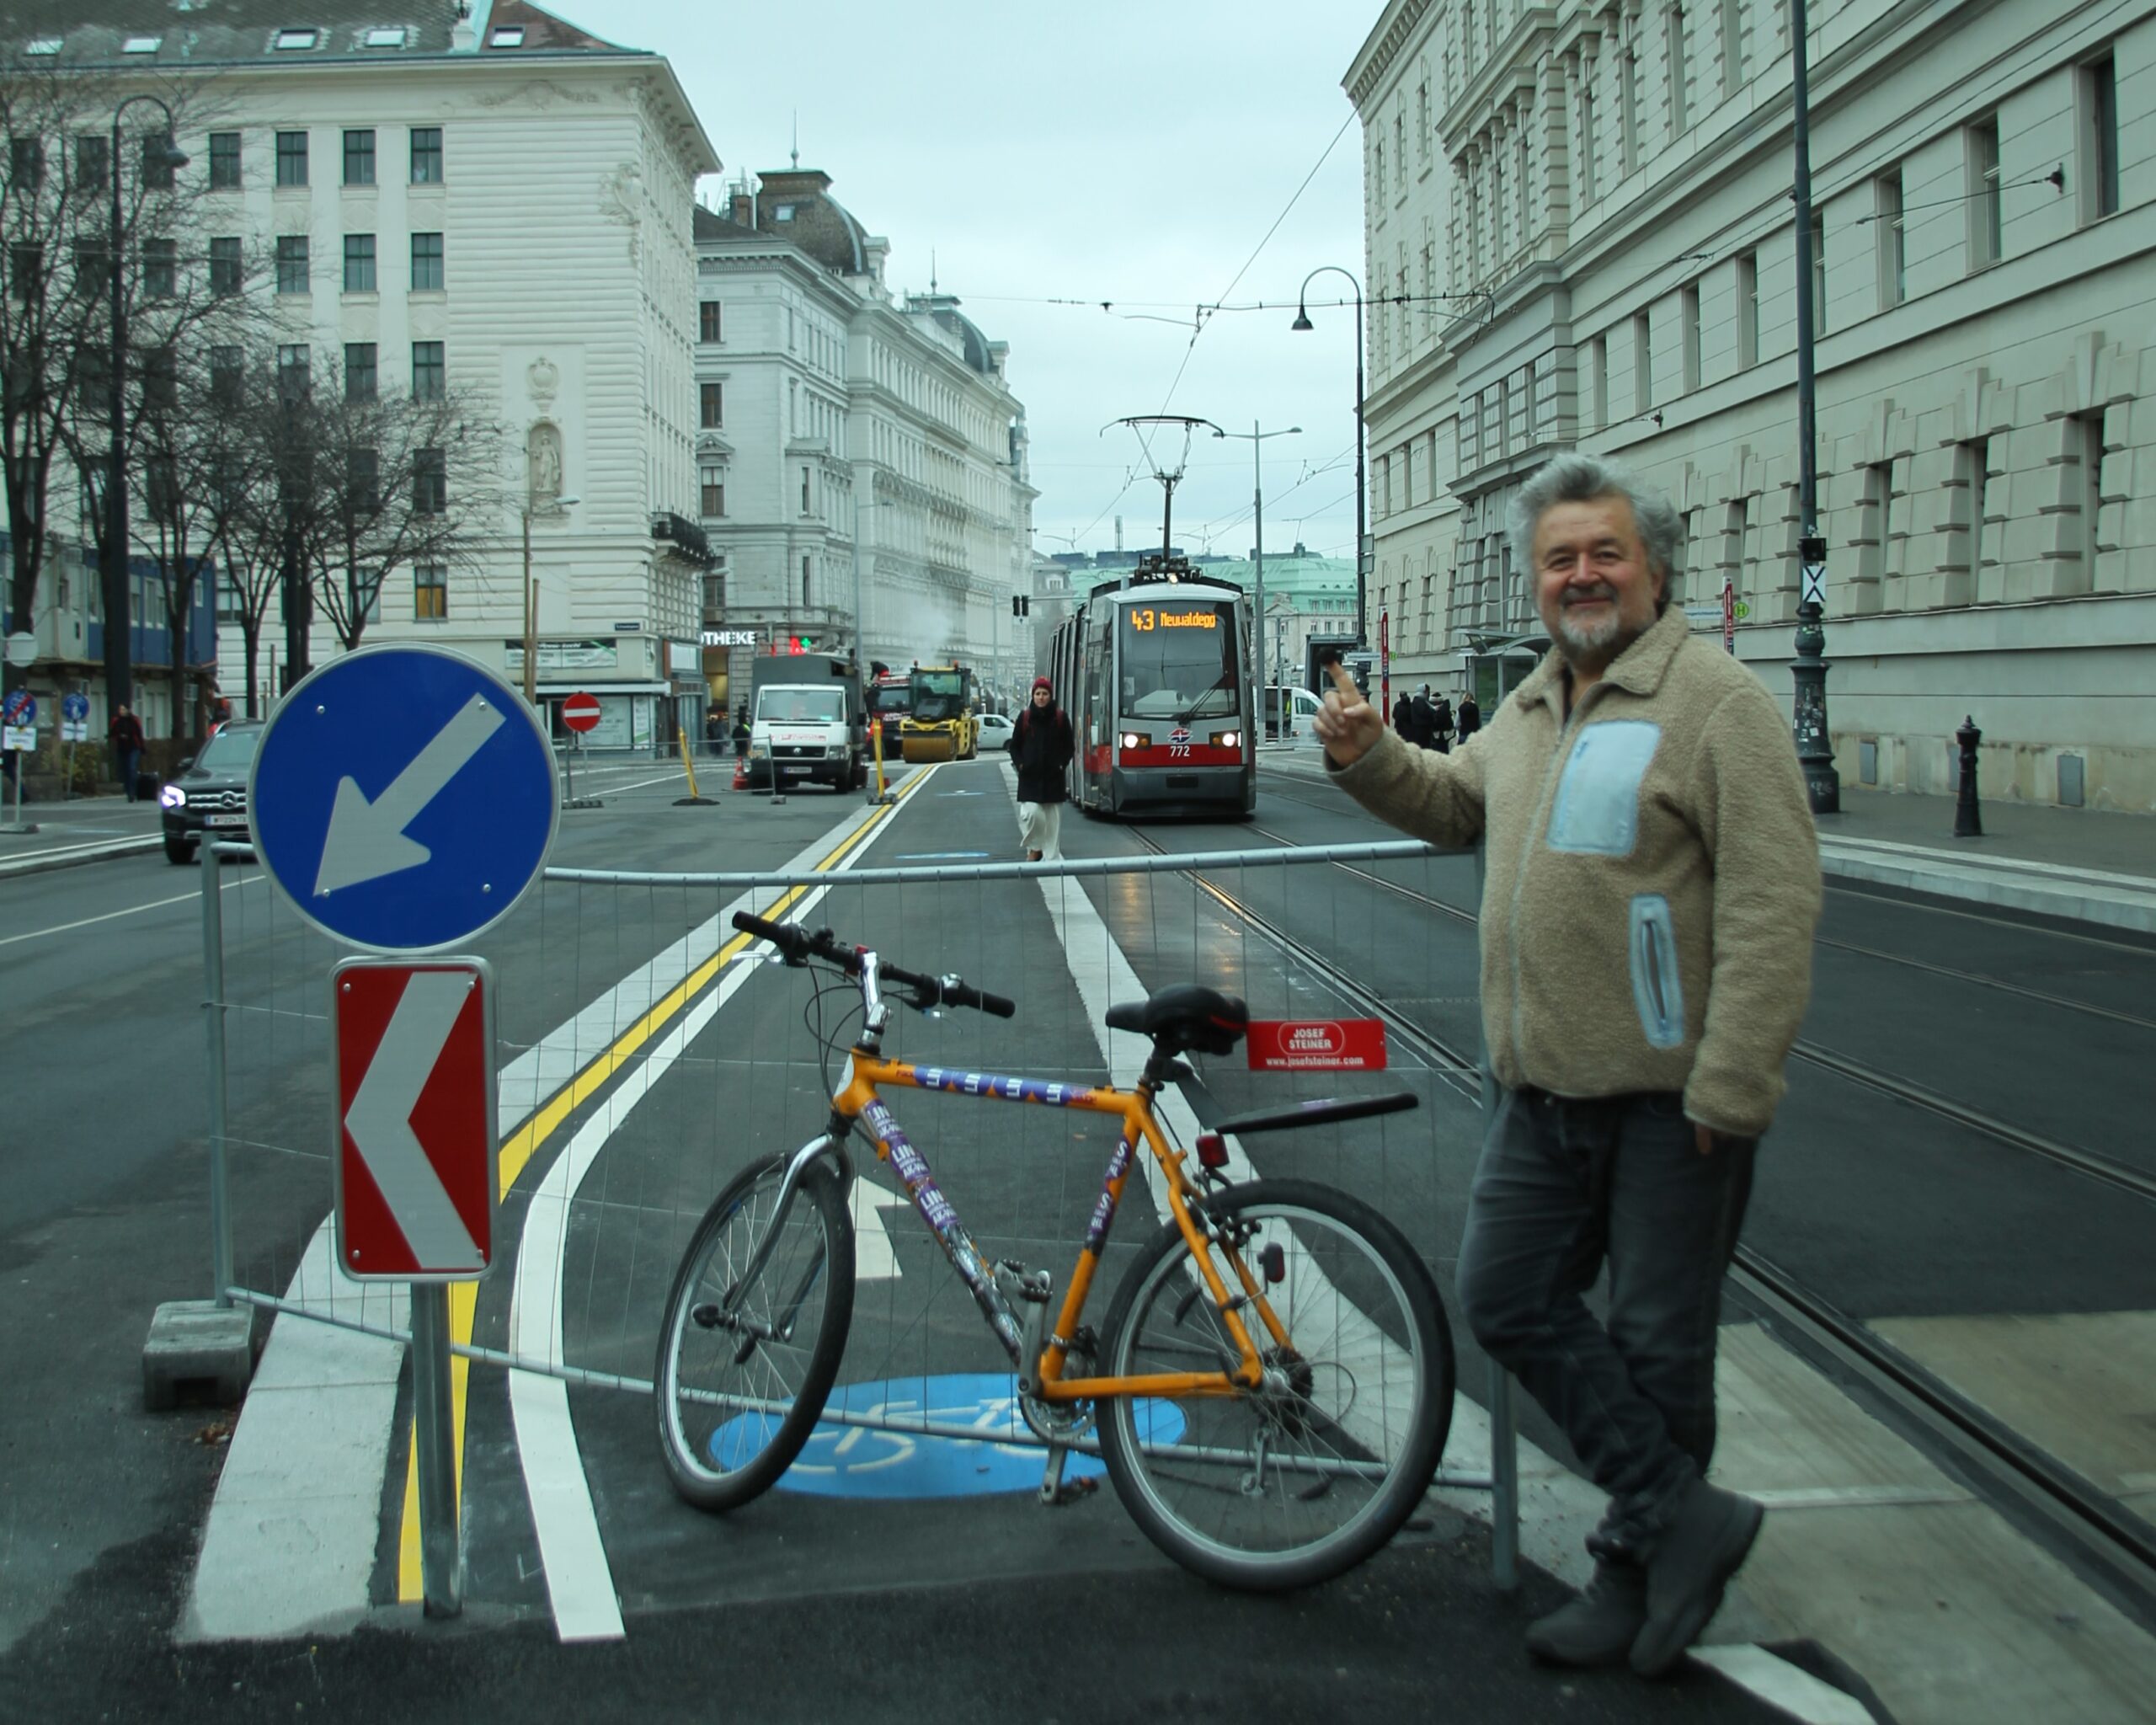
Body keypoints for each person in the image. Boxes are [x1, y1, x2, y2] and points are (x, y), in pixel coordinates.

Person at [1312, 452, 1821, 1679]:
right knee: (1505, 1296)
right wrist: (1367, 753)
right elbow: (1455, 805)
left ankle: (1635, 1571)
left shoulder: (1716, 704)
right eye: (1561, 558)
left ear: (1653, 570)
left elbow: (1772, 901)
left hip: (1669, 1108)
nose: (1582, 575)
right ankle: (1685, 1518)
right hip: (1540, 1097)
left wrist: (1733, 1084)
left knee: (1657, 1347)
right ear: (1538, 581)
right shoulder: (1534, 707)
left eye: (1604, 554)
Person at [1009, 676, 1072, 862]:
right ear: (1033, 695)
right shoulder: (1025, 717)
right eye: (1038, 693)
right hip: (1029, 778)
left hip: (1053, 779)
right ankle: (1035, 847)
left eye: (1045, 694)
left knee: (1053, 825)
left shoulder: (1061, 718)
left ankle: (1051, 860)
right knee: (1032, 814)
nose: (1041, 697)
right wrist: (1021, 764)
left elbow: (1069, 746)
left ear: (1050, 696)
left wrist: (1061, 763)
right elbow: (1014, 746)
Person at [108, 702, 145, 802]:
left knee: (132, 769)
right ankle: (129, 791)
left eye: (123, 710)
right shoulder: (116, 720)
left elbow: (139, 733)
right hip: (122, 748)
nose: (121, 712)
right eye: (120, 710)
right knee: (125, 771)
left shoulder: (134, 720)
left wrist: (142, 747)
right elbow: (112, 733)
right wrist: (119, 736)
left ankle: (133, 792)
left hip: (133, 747)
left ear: (128, 710)